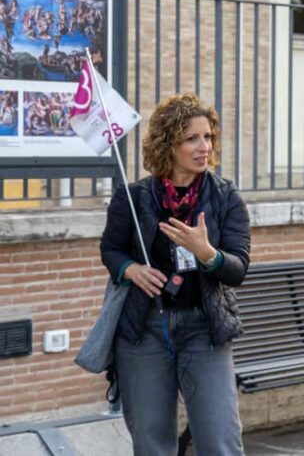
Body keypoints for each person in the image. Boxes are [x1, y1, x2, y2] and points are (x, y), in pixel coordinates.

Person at [100, 93, 250, 455]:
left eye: (208, 137)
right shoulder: (134, 198)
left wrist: (207, 254)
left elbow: (238, 268)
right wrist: (130, 269)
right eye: (192, 138)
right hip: (144, 330)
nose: (204, 147)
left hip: (204, 330)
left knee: (220, 441)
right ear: (169, 144)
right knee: (152, 443)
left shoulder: (226, 198)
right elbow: (111, 250)